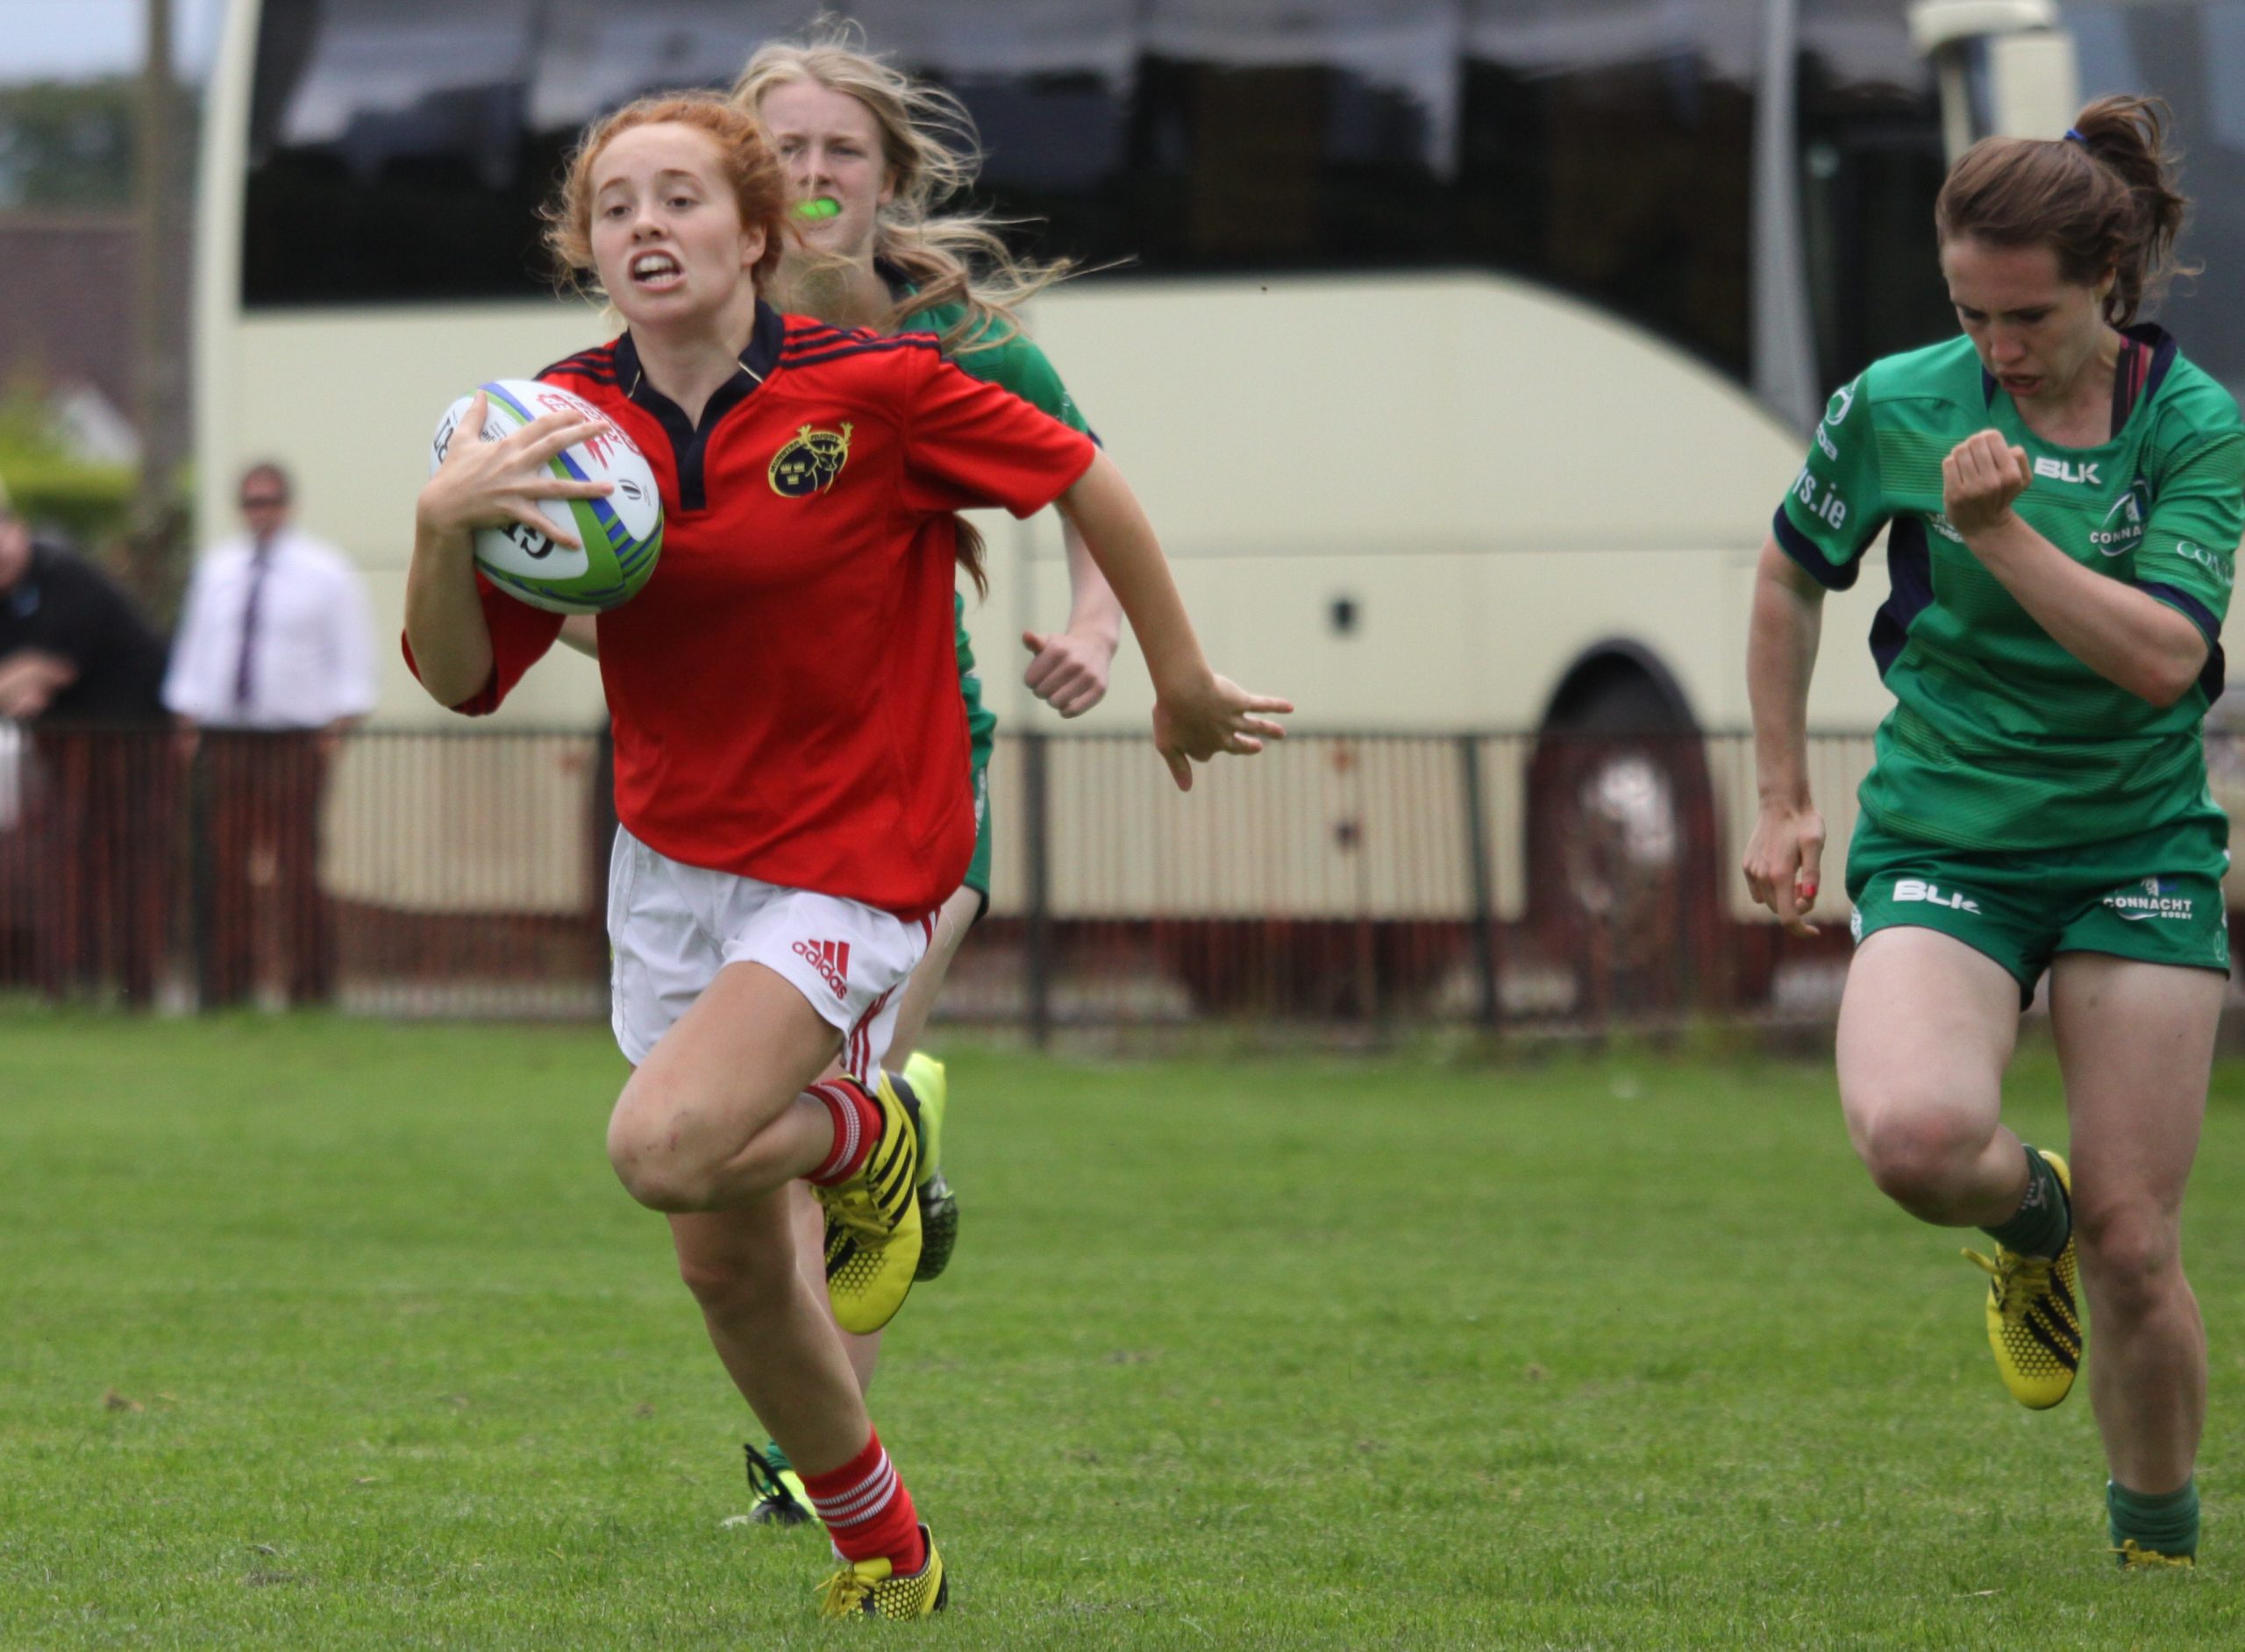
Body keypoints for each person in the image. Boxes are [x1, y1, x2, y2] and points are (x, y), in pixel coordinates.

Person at [403, 90, 1286, 1620]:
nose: (646, 228)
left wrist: (1178, 672)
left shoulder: (874, 386)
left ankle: (872, 1140)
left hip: (861, 847)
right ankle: (890, 1549)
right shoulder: (558, 424)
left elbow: (1084, 471)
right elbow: (462, 675)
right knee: (728, 1269)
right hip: (676, 858)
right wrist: (439, 525)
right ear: (585, 249)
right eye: (616, 207)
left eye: (682, 198)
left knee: (658, 1141)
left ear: (756, 231)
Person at [1743, 96, 2240, 1570]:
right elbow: (1789, 577)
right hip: (1946, 832)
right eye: (1972, 312)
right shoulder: (1896, 401)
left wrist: (2004, 531)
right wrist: (1779, 791)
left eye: (2028, 317)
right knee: (1911, 1137)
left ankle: (2155, 1543)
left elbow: (2163, 659)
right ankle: (2035, 1222)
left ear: (2111, 283)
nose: (1998, 350)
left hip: (2137, 846)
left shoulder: (2194, 426)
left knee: (2140, 1244)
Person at [163, 462, 375, 1007]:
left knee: (297, 864)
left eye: (271, 500)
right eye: (252, 501)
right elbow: (195, 649)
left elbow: (351, 655)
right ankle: (227, 988)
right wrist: (187, 718)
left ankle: (309, 988)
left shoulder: (325, 571)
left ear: (288, 504)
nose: (262, 511)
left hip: (295, 739)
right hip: (226, 737)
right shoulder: (218, 569)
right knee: (224, 864)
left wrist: (339, 724)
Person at [0, 480, 173, 1000]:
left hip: (132, 743)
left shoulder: (65, 577)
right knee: (68, 866)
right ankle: (72, 984)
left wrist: (23, 678)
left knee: (132, 864)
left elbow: (46, 670)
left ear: (18, 531)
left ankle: (138, 986)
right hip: (65, 753)